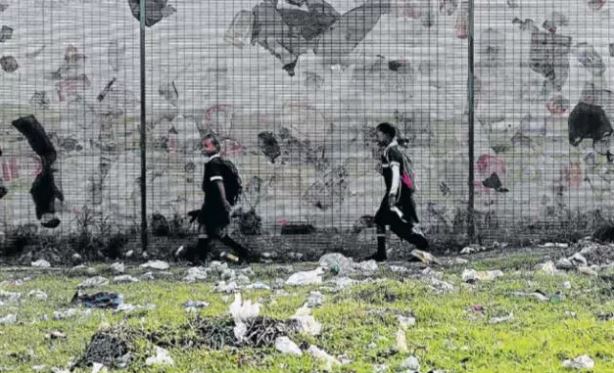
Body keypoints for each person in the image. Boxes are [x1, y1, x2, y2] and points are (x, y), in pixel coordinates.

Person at [178, 133, 257, 264]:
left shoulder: (213, 163)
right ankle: (240, 254)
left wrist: (224, 200)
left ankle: (241, 253)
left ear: (216, 147)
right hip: (213, 203)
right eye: (203, 146)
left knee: (210, 230)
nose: (203, 149)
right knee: (212, 231)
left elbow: (218, 182)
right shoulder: (217, 162)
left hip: (215, 204)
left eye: (206, 146)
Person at [368, 122, 429, 261]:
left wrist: (392, 194)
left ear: (387, 135)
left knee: (388, 222)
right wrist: (383, 171)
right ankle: (382, 253)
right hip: (397, 192)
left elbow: (396, 174)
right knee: (386, 221)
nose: (377, 138)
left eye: (379, 134)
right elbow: (393, 173)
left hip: (396, 193)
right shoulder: (390, 151)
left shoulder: (392, 151)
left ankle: (421, 244)